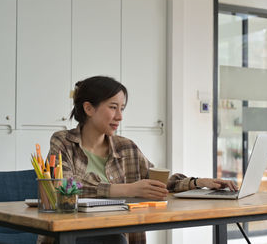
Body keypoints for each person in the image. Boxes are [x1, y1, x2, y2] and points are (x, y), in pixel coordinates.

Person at [40, 76, 237, 244]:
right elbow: (62, 187)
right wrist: (127, 189)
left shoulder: (126, 147)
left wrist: (198, 182)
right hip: (71, 237)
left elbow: (158, 183)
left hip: (120, 235)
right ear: (89, 108)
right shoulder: (63, 142)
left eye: (122, 109)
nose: (120, 116)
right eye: (113, 107)